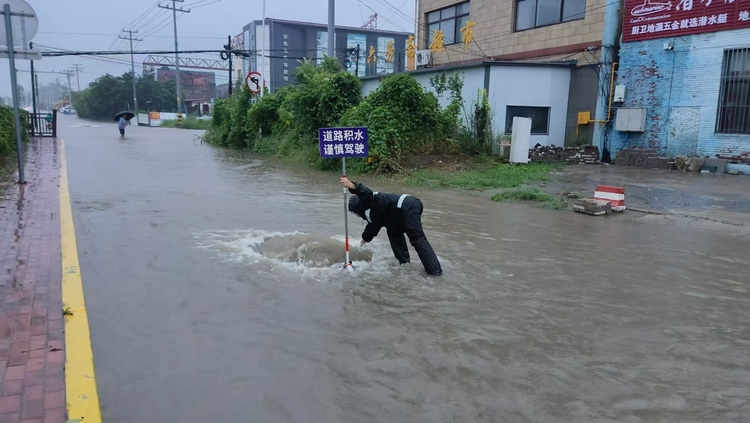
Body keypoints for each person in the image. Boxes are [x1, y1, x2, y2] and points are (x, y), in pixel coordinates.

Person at [341, 177, 442, 276]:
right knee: (393, 232)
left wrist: (352, 185)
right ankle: (404, 263)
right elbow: (373, 227)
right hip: (399, 213)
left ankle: (435, 272)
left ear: (358, 207)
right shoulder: (373, 213)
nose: (356, 215)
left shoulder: (368, 201)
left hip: (407, 207)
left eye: (355, 213)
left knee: (417, 239)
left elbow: (366, 193)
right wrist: (364, 240)